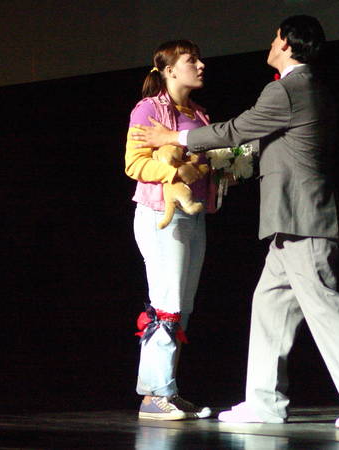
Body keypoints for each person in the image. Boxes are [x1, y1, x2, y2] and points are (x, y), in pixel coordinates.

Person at [131, 16, 339, 430]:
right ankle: (263, 403)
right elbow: (254, 145)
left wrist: (175, 139)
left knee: (325, 308)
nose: (270, 44)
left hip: (303, 219)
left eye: (274, 38)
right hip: (285, 222)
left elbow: (238, 130)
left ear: (286, 43)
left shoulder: (288, 88)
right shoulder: (305, 89)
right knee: (268, 309)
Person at [124, 39, 214, 421]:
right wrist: (174, 172)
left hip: (194, 214)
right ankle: (153, 395)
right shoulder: (149, 108)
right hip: (161, 214)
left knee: (183, 304)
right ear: (170, 70)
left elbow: (205, 158)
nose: (201, 65)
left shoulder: (199, 113)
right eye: (192, 60)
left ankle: (168, 390)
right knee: (167, 301)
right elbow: (134, 163)